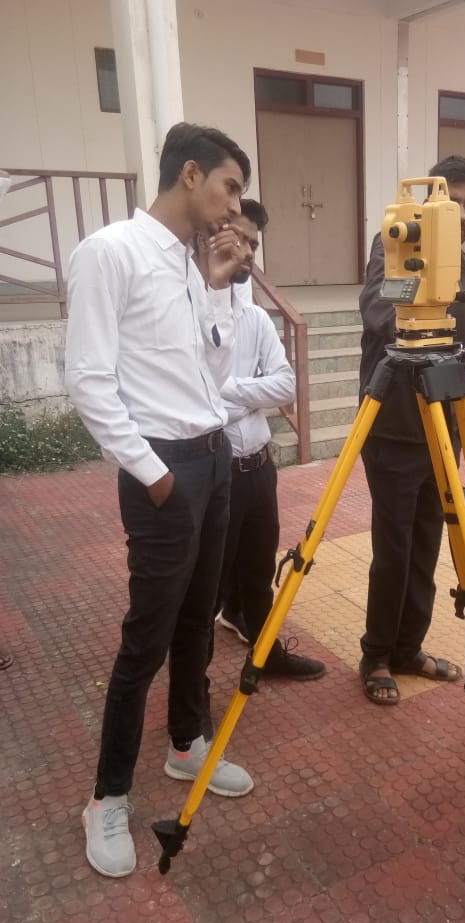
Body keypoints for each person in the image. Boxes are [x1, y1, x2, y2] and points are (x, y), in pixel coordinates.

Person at [65, 122, 254, 879]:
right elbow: (89, 379)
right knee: (146, 637)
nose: (235, 206)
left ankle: (186, 743)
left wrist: (218, 285)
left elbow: (209, 372)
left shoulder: (186, 261)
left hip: (213, 458)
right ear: (190, 174)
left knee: (197, 620)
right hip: (164, 471)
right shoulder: (111, 251)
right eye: (230, 187)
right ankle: (107, 797)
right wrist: (153, 474)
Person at [357, 155, 465, 705]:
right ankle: (376, 655)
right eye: (454, 201)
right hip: (392, 428)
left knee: (427, 546)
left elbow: (458, 348)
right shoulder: (393, 246)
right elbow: (379, 314)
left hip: (442, 428)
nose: (464, 214)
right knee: (393, 551)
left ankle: (408, 647)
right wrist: (425, 289)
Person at [196, 198, 325, 680]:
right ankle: (195, 686)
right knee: (208, 583)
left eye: (253, 243)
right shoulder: (190, 310)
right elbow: (198, 398)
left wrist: (230, 392)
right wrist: (251, 392)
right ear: (211, 235)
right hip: (216, 471)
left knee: (257, 570)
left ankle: (266, 652)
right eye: (240, 239)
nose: (248, 252)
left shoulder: (254, 319)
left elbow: (286, 386)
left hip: (258, 468)